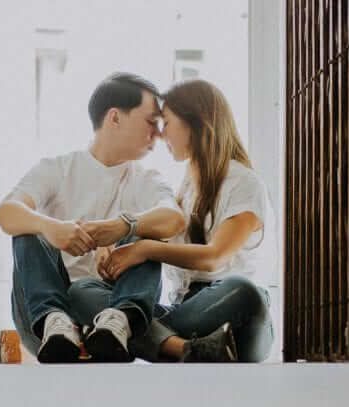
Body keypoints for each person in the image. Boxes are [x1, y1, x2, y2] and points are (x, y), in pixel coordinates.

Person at [0, 73, 186, 363]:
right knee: (27, 226)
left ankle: (119, 321)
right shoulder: (57, 168)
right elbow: (5, 213)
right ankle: (57, 323)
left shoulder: (147, 180)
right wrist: (51, 227)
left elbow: (174, 219)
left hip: (110, 317)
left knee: (147, 232)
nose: (158, 135)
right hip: (43, 322)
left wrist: (121, 228)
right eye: (151, 122)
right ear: (115, 118)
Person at [99, 79, 275, 362]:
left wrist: (144, 249)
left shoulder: (243, 183)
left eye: (166, 123)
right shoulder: (186, 190)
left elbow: (214, 258)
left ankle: (136, 333)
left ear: (196, 123)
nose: (160, 134)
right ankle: (186, 349)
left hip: (231, 308)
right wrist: (117, 246)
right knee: (87, 292)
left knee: (244, 292)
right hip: (186, 311)